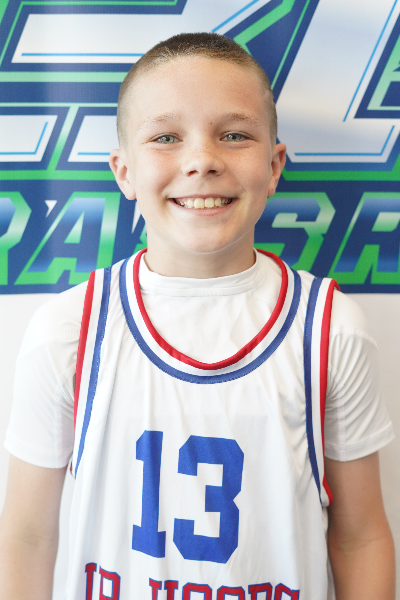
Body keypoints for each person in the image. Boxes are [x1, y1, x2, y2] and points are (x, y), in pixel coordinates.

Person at [0, 32, 395, 600]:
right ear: (124, 171)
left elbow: (360, 538)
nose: (203, 160)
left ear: (274, 165)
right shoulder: (69, 332)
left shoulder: (331, 331)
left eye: (234, 135)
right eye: (166, 137)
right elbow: (28, 537)